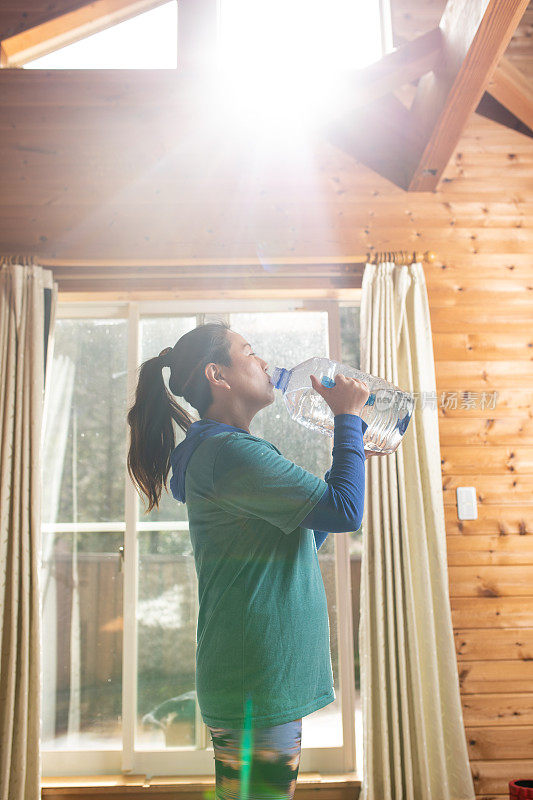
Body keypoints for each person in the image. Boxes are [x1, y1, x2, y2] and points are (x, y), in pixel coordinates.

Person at [126, 321, 378, 800]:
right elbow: (346, 511)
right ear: (217, 375)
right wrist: (346, 419)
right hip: (256, 678)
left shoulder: (227, 452)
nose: (263, 362)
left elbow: (304, 533)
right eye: (250, 351)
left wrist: (352, 449)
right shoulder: (229, 453)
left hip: (260, 674)